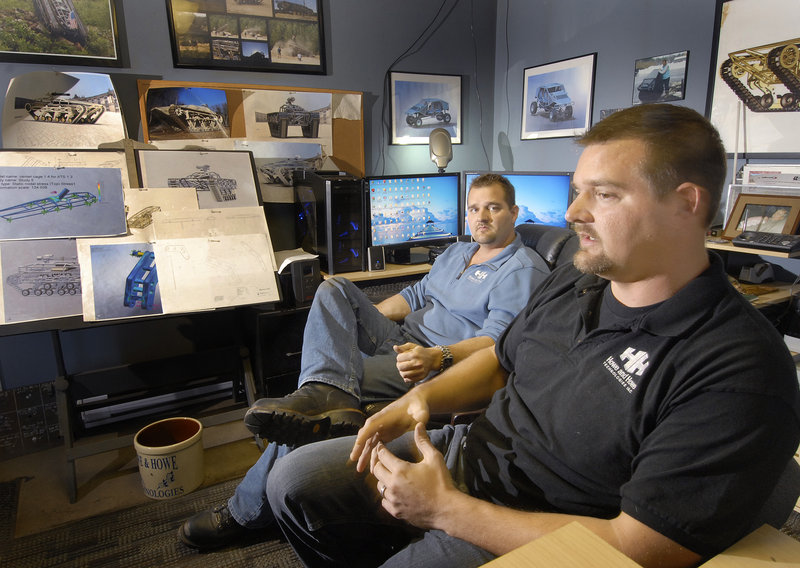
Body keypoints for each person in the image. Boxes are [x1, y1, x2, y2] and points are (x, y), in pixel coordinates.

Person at [263, 104, 800, 568]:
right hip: (467, 452)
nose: (572, 214)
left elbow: (641, 548)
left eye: (604, 195)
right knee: (293, 484)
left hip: (548, 526)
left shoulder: (737, 366)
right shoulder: (578, 277)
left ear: (687, 203)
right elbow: (500, 360)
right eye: (576, 192)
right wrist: (418, 400)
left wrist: (445, 510)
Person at [178, 173, 551, 549]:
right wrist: (356, 316)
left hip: (433, 364)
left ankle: (243, 512)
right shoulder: (458, 251)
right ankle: (325, 395)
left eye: (493, 207)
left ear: (514, 212)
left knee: (314, 409)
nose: (481, 216)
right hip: (404, 339)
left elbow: (497, 343)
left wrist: (437, 356)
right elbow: (414, 295)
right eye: (474, 208)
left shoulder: (522, 268)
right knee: (334, 289)